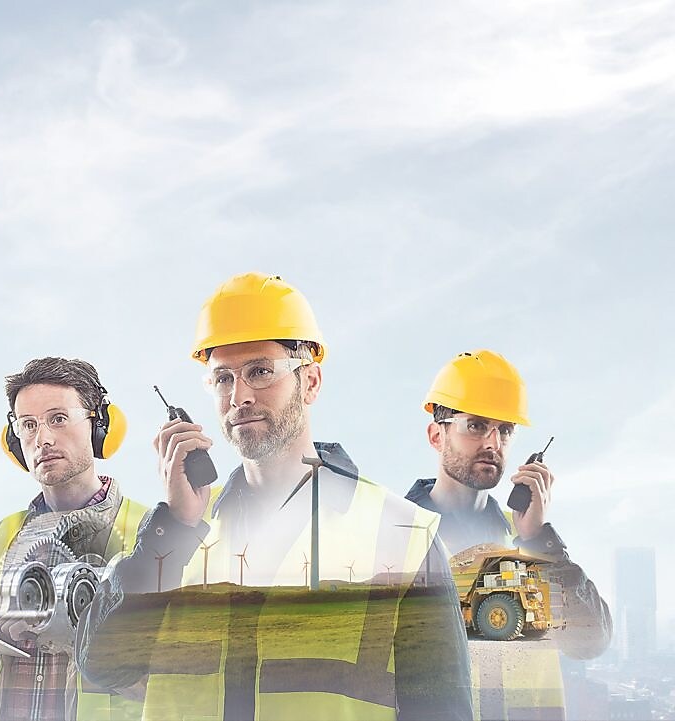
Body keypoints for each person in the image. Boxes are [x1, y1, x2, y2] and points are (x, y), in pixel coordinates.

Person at [76, 272, 473, 721]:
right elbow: (103, 666)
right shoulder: (178, 531)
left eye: (260, 372)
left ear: (311, 382)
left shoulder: (402, 533)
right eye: (222, 379)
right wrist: (174, 526)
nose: (239, 396)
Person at [0, 357, 146, 721]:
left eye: (58, 418)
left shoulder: (153, 536)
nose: (43, 438)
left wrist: (84, 642)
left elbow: (185, 683)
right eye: (28, 425)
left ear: (100, 425)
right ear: (14, 441)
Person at [406, 349, 612, 720]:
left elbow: (589, 641)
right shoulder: (394, 535)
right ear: (437, 435)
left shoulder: (525, 539)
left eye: (505, 430)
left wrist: (537, 538)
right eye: (476, 425)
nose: (493, 443)